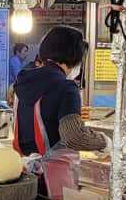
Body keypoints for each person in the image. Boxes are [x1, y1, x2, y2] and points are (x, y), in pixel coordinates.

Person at [12, 27, 107, 156]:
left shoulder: (23, 80)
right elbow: (74, 138)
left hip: (23, 165)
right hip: (53, 171)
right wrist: (104, 142)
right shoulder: (67, 88)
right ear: (74, 58)